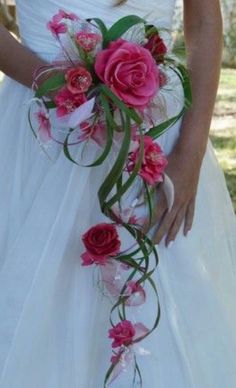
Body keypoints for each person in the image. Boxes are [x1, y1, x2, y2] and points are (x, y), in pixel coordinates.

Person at [0, 1, 236, 387]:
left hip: (159, 135)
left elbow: (206, 18)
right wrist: (60, 85)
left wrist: (190, 155)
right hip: (41, 130)